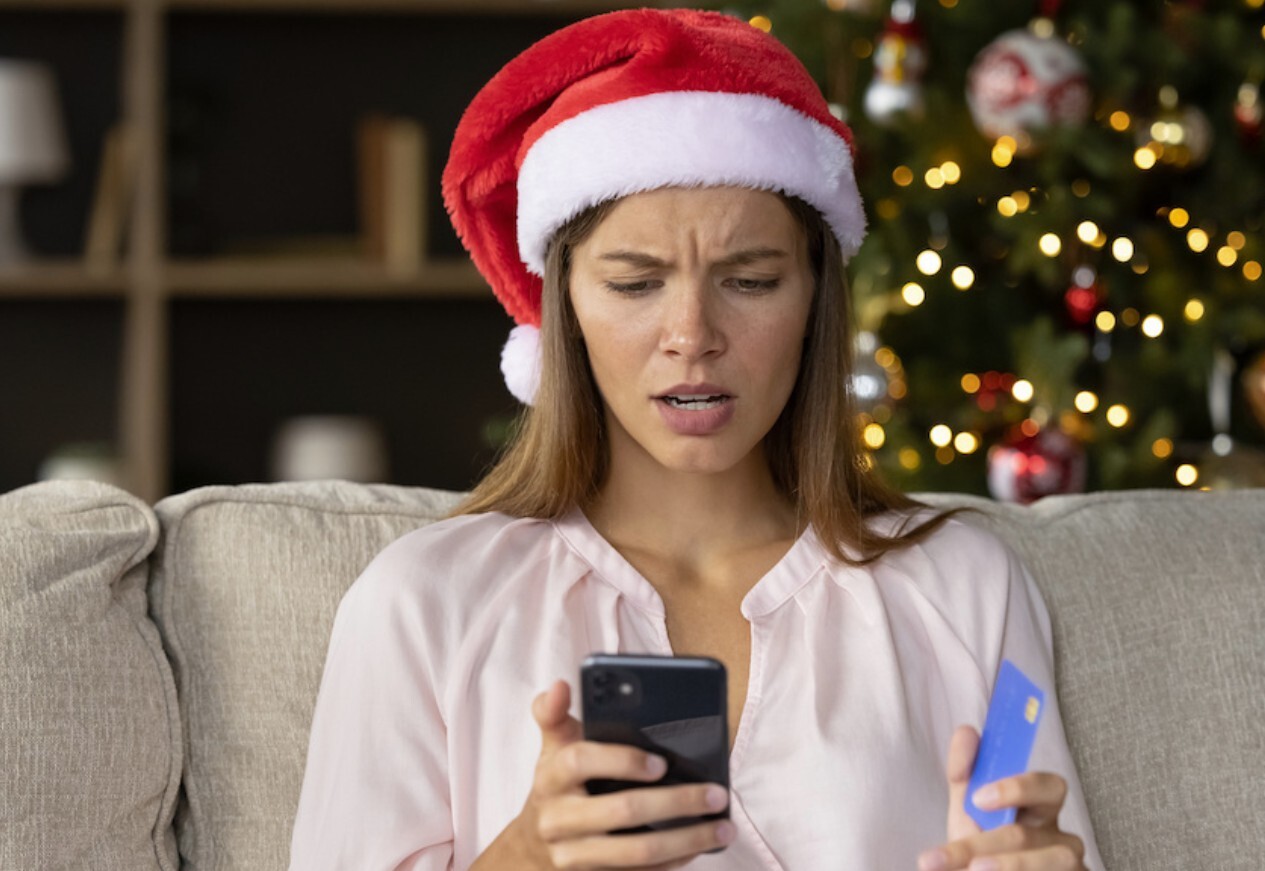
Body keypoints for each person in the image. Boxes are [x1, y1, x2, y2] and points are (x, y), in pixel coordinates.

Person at [288, 9, 1103, 871]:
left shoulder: (962, 585)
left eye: (748, 281)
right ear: (565, 309)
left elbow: (1032, 841)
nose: (692, 335)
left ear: (815, 300)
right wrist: (524, 857)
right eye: (634, 284)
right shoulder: (424, 601)